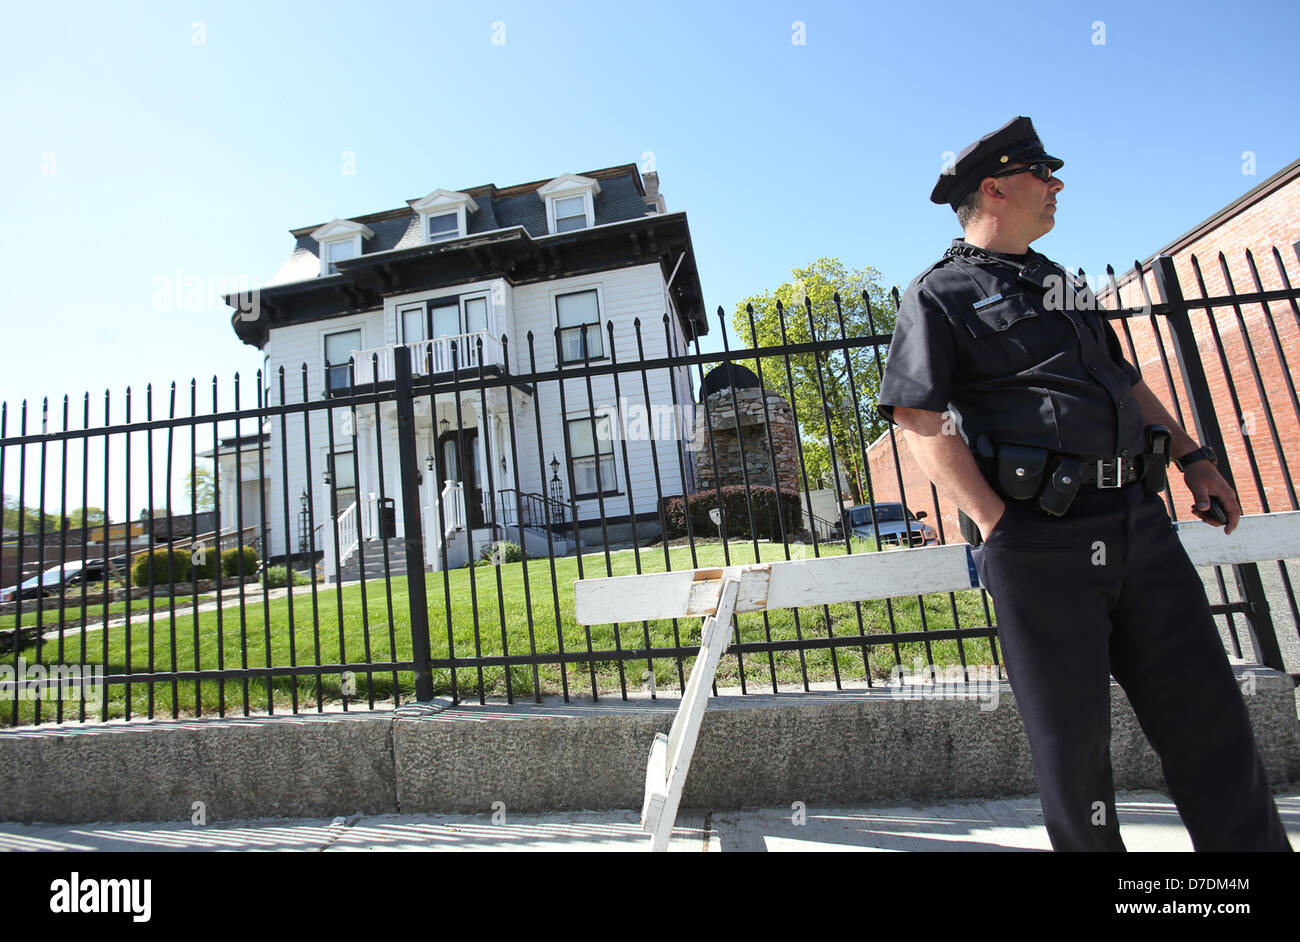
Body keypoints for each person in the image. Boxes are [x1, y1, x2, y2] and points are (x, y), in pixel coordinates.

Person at [876, 116, 1291, 852]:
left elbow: (1124, 382)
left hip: (1139, 520)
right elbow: (916, 418)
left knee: (1211, 723)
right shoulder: (938, 295)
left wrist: (1194, 458)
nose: (1057, 185)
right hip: (1042, 541)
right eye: (1043, 174)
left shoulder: (1059, 282)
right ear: (995, 187)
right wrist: (998, 524)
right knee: (1075, 755)